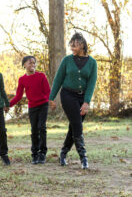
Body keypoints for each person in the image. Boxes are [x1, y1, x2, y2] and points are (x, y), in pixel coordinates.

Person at [49, 32, 97, 169]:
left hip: (83, 98)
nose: (72, 47)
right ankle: (84, 158)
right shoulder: (67, 60)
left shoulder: (93, 63)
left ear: (82, 45)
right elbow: (58, 79)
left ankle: (63, 153)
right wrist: (51, 98)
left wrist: (86, 102)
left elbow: (91, 84)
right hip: (68, 95)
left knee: (74, 126)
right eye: (71, 45)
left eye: (75, 45)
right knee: (77, 124)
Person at [9, 56, 51, 164]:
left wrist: (51, 101)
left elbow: (48, 91)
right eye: (29, 63)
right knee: (34, 130)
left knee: (42, 127)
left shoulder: (41, 76)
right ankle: (35, 153)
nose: (32, 65)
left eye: (34, 63)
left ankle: (42, 153)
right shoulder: (22, 79)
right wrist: (8, 105)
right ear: (24, 65)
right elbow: (18, 96)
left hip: (43, 105)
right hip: (32, 107)